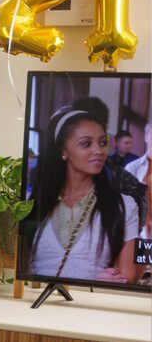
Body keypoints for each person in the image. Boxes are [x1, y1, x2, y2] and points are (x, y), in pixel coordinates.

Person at [28, 107, 140, 284]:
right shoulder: (35, 204)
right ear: (63, 151)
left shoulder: (124, 206)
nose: (99, 150)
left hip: (93, 304)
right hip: (35, 303)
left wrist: (114, 276)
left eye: (102, 143)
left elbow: (128, 274)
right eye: (86, 143)